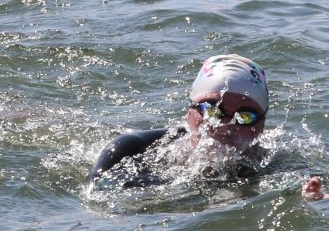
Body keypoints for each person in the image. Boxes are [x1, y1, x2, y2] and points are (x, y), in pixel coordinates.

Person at [89, 54, 271, 186]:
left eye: (245, 117)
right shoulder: (130, 151)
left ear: (262, 124)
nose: (225, 126)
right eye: (211, 111)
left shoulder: (276, 166)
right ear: (189, 113)